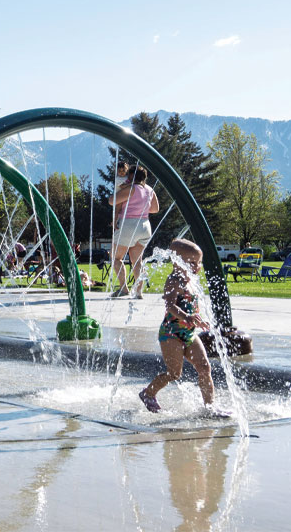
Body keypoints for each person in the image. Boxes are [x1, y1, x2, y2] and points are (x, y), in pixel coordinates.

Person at [139, 239, 228, 417]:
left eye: (199, 262)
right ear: (176, 261)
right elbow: (170, 306)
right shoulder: (173, 281)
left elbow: (191, 307)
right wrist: (188, 317)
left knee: (204, 368)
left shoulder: (191, 282)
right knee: (174, 373)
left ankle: (210, 407)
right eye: (192, 262)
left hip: (189, 333)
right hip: (171, 334)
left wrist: (199, 320)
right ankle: (148, 393)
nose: (197, 266)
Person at [109, 166, 160, 299]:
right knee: (137, 261)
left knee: (116, 258)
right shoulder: (150, 190)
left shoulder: (131, 189)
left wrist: (122, 190)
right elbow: (155, 209)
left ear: (131, 176)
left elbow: (111, 201)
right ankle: (138, 292)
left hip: (128, 224)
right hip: (144, 226)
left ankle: (123, 288)